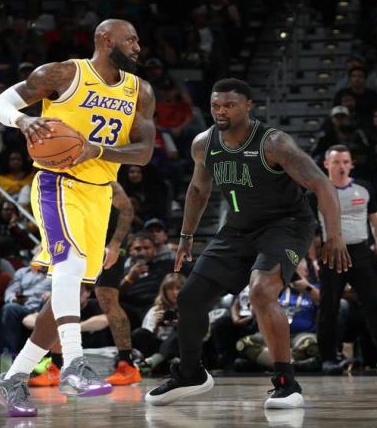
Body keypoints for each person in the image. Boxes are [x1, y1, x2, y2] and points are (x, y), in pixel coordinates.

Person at [146, 78, 351, 409]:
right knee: (189, 299)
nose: (221, 111)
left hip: (286, 225)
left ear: (248, 106)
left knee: (261, 291)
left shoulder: (274, 143)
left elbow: (321, 185)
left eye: (229, 105)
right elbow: (198, 190)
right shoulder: (203, 143)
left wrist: (334, 236)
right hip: (238, 229)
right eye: (215, 105)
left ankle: (286, 382)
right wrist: (186, 236)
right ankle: (191, 373)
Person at [0, 18, 155, 417]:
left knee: (68, 291)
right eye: (130, 39)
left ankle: (13, 378)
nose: (137, 47)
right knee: (71, 265)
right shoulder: (63, 74)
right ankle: (75, 364)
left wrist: (97, 151)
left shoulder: (140, 91)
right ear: (105, 39)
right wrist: (24, 120)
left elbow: (144, 152)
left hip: (99, 193)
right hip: (58, 183)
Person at [311, 145, 377, 375]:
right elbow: (308, 229)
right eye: (336, 162)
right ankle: (328, 358)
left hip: (361, 252)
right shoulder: (316, 191)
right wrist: (313, 260)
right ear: (326, 164)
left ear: (351, 164)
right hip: (331, 253)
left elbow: (376, 221)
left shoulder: (363, 188)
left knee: (375, 304)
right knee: (329, 308)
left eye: (345, 162)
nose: (342, 166)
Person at [94, 181, 141, 386]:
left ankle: (126, 363)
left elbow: (127, 209)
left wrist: (115, 243)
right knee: (59, 298)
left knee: (106, 297)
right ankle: (56, 363)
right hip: (81, 242)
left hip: (108, 245)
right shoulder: (62, 175)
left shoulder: (103, 177)